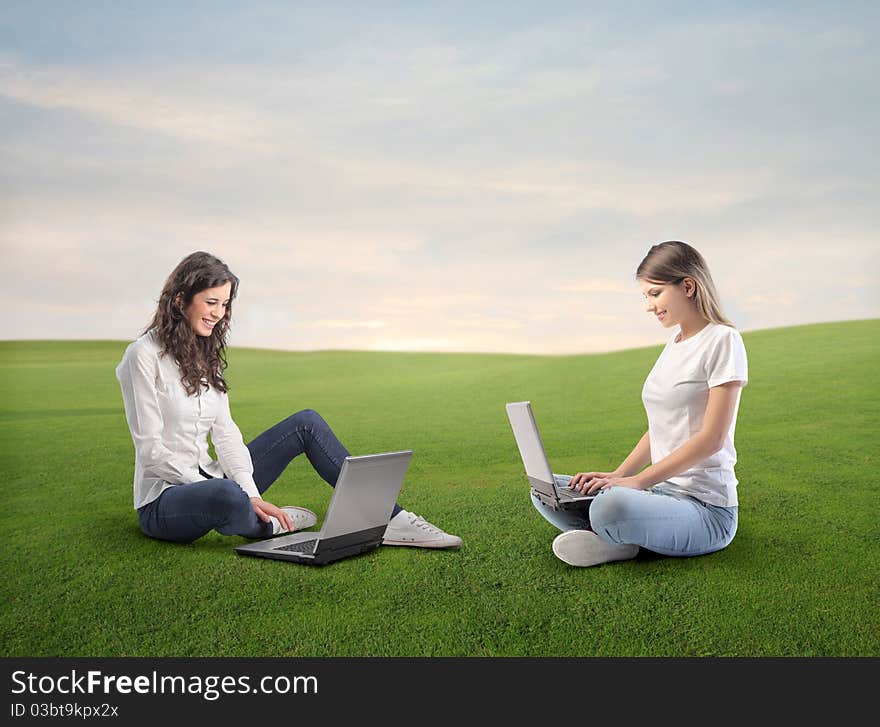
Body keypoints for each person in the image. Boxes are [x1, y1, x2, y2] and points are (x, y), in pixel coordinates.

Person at [116, 251, 462, 549]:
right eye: (211, 302)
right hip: (166, 499)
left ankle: (391, 518)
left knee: (305, 423)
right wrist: (230, 490)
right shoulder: (142, 356)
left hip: (218, 479)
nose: (218, 313)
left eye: (224, 304)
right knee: (225, 496)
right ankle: (271, 524)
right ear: (180, 300)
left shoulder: (203, 350)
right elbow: (151, 452)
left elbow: (226, 433)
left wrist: (250, 492)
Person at [534, 241, 747, 567]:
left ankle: (617, 533)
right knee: (548, 490)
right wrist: (617, 475)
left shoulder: (723, 340)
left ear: (687, 286)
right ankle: (624, 540)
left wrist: (635, 483)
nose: (649, 305)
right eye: (645, 296)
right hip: (657, 495)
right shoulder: (674, 344)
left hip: (704, 509)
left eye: (655, 293)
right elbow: (660, 428)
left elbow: (711, 439)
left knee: (609, 505)